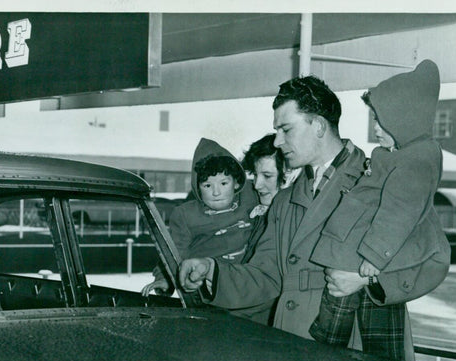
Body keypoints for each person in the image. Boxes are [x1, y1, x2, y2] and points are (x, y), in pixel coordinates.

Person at [178, 75, 371, 341]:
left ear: (317, 125)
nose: (278, 141)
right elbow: (266, 276)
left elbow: (431, 260)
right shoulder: (285, 201)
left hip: (350, 343)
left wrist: (367, 280)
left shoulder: (375, 181)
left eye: (286, 130)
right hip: (290, 343)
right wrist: (212, 269)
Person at [308, 59, 451, 360]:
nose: (374, 128)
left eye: (380, 120)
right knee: (368, 343)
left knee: (342, 340)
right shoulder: (402, 156)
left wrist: (374, 255)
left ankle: (325, 352)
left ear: (404, 119)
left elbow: (397, 212)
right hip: (358, 258)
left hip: (366, 258)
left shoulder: (413, 163)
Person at [142, 138, 257, 296]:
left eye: (223, 184)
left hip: (248, 284)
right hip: (206, 288)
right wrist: (166, 279)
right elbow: (175, 251)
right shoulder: (186, 215)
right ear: (198, 187)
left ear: (236, 182)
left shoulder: (251, 195)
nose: (216, 192)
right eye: (207, 185)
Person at [233, 134, 288, 324]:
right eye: (255, 175)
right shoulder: (260, 213)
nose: (257, 185)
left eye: (267, 176)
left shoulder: (285, 223)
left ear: (289, 176)